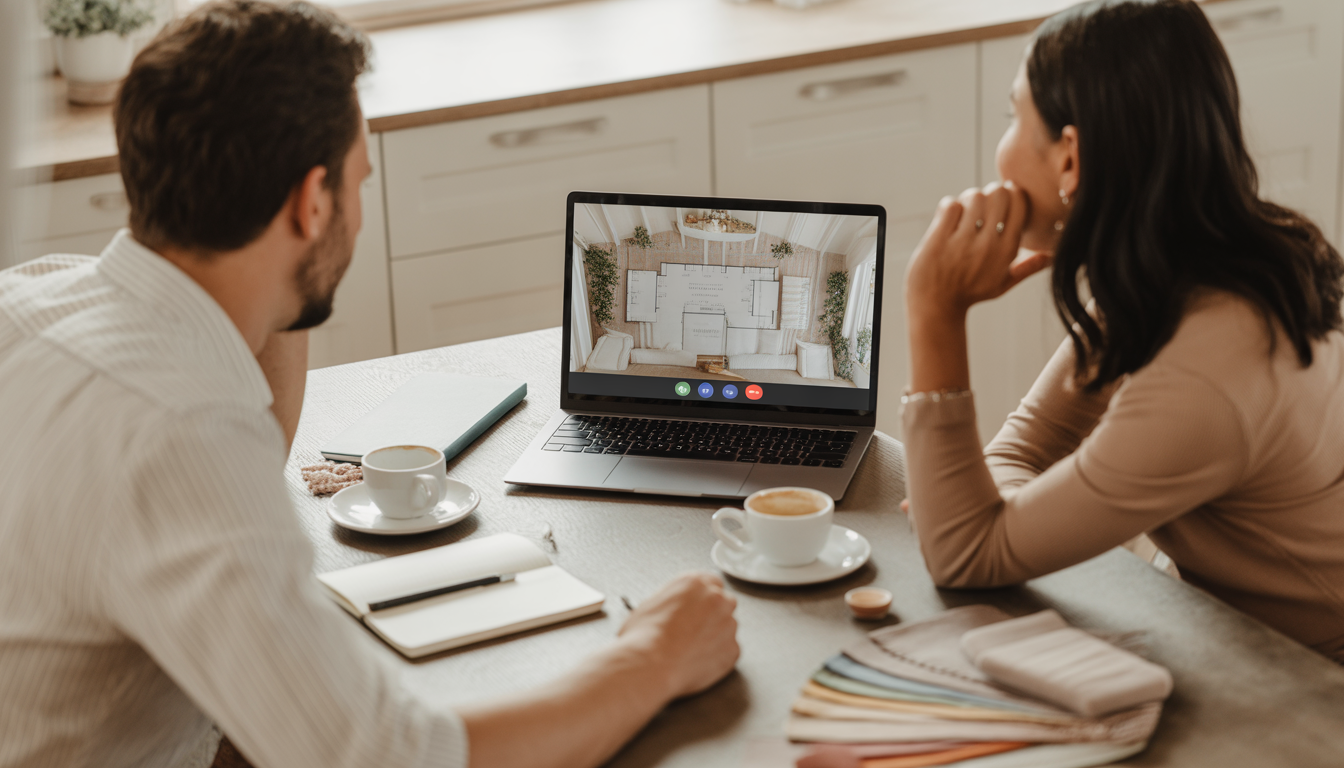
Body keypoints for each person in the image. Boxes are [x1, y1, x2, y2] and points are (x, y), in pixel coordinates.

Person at [0, 3, 738, 767]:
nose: (357, 217)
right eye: (358, 185)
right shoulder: (179, 432)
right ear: (313, 202)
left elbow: (246, 451)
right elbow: (392, 758)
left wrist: (282, 268)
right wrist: (654, 659)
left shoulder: (34, 301)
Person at [901, 0, 1344, 661]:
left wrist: (933, 311)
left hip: (1306, 682)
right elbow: (1026, 448)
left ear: (1070, 158)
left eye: (1013, 116)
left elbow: (964, 555)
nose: (1002, 146)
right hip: (1224, 626)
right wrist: (985, 514)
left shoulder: (1205, 374)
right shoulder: (1194, 261)